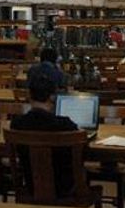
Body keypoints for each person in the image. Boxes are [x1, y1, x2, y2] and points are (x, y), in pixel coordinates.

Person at [11, 62, 78, 198]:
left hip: (30, 185)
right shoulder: (66, 125)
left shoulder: (16, 124)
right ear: (53, 97)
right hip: (64, 189)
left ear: (29, 96)